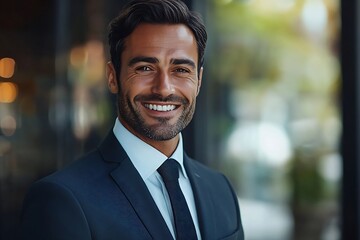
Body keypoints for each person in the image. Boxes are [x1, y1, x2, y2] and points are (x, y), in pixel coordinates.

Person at [19, 0, 244, 239]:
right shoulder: (61, 199)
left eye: (180, 70)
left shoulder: (221, 190)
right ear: (113, 77)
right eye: (145, 68)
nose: (164, 88)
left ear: (198, 81)